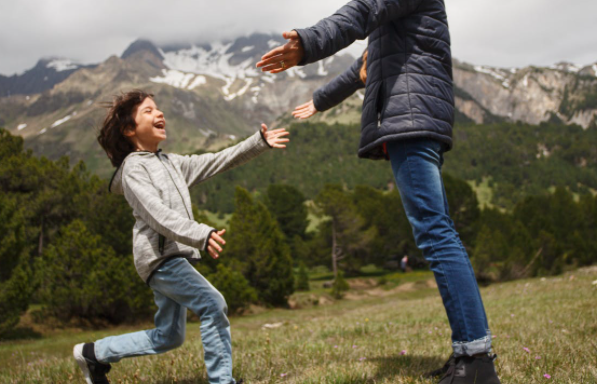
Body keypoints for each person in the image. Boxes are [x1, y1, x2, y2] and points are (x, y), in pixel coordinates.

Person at [256, 1, 500, 383]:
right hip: (414, 116)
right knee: (435, 232)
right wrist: (321, 100)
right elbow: (366, 64)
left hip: (412, 118)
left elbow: (360, 12)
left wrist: (308, 41)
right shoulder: (399, 18)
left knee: (436, 234)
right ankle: (467, 353)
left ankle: (476, 358)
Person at [73, 90, 289, 384]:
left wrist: (258, 143)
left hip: (171, 256)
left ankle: (93, 354)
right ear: (129, 130)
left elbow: (217, 160)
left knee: (168, 337)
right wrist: (201, 233)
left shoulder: (172, 163)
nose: (159, 113)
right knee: (212, 304)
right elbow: (157, 214)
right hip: (160, 259)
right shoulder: (132, 170)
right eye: (148, 111)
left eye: (158, 109)